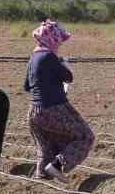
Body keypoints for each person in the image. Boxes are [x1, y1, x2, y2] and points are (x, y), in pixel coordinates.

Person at [24, 18, 93, 181]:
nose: (60, 44)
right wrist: (62, 63)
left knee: (45, 150)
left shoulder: (33, 58)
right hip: (52, 109)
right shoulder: (49, 56)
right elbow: (68, 77)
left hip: (34, 113)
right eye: (59, 41)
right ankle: (58, 165)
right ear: (52, 40)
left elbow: (28, 86)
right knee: (85, 136)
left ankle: (42, 182)